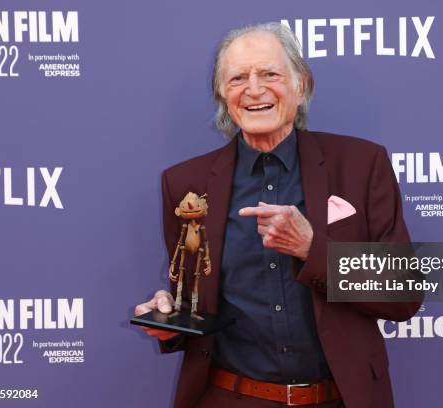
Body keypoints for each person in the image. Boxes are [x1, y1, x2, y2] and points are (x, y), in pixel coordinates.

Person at [135, 22, 421, 408]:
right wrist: (168, 319)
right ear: (222, 93)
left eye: (270, 74)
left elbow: (402, 295)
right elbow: (193, 304)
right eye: (238, 78)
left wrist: (311, 248)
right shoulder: (186, 184)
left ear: (301, 84)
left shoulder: (362, 165)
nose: (254, 89)